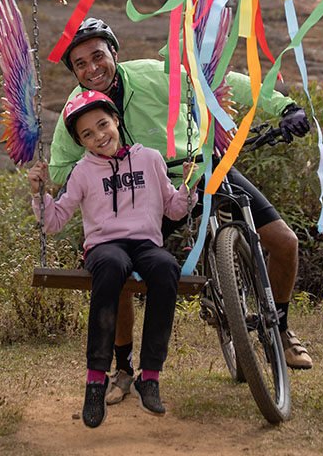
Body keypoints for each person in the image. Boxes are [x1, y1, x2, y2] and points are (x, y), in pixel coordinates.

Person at [49, 17, 313, 405]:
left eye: (97, 56)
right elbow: (58, 167)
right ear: (74, 71)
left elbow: (220, 83)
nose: (92, 69)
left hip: (199, 170)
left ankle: (281, 330)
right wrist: (103, 166)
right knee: (118, 269)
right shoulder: (78, 110)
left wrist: (283, 106)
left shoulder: (155, 76)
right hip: (145, 196)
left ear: (114, 53)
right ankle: (123, 369)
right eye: (80, 64)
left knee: (284, 242)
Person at [27, 90, 198, 428]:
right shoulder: (83, 172)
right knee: (111, 266)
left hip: (146, 243)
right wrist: (39, 194)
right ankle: (95, 379)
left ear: (116, 121)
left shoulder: (149, 159)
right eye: (87, 134)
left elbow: (173, 208)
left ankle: (149, 376)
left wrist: (188, 188)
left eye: (103, 125)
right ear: (80, 142)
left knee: (166, 268)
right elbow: (55, 221)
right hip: (106, 246)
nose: (98, 136)